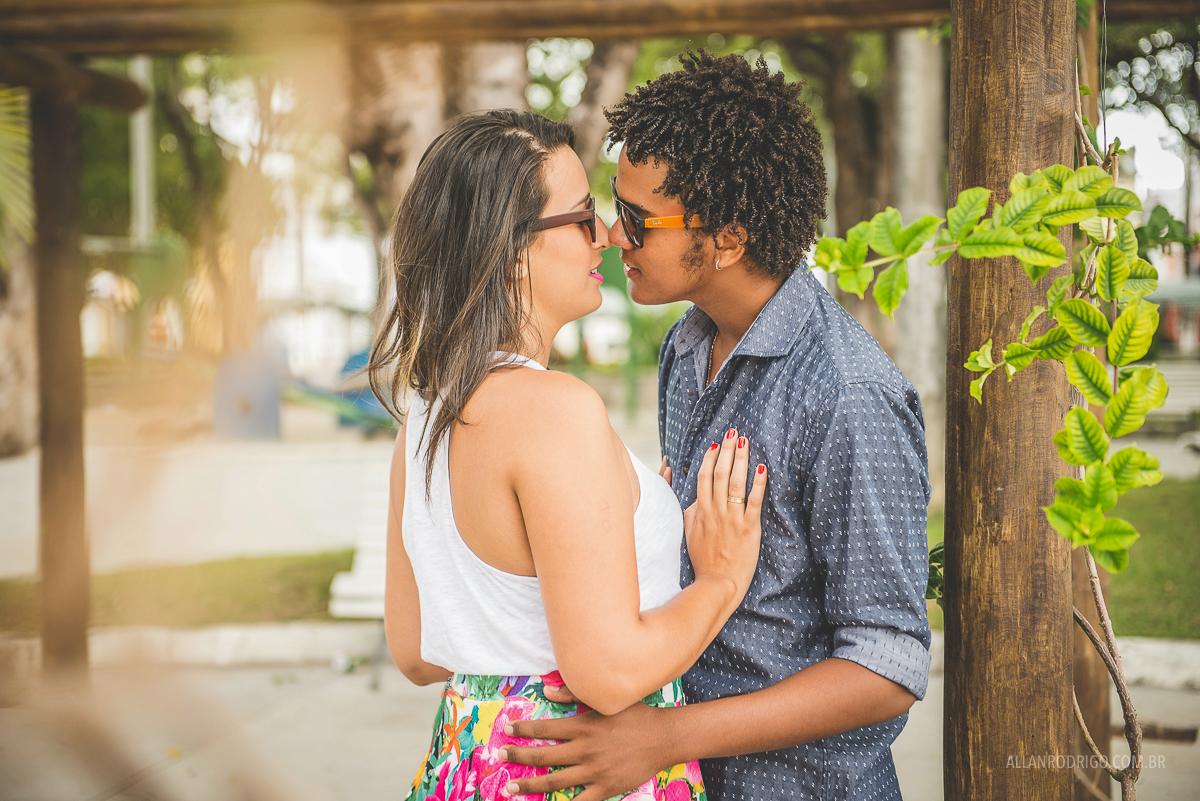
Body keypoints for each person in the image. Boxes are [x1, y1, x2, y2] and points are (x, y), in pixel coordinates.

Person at [500, 50, 933, 801]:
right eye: (613, 201)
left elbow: (886, 666)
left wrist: (667, 737)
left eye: (637, 219)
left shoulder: (849, 394)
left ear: (728, 239)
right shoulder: (687, 344)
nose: (610, 233)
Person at [367, 109, 769, 801]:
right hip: (573, 767)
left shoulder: (427, 416)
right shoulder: (556, 410)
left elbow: (416, 647)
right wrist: (720, 582)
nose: (609, 235)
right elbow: (607, 673)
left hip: (470, 758)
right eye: (584, 216)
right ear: (514, 247)